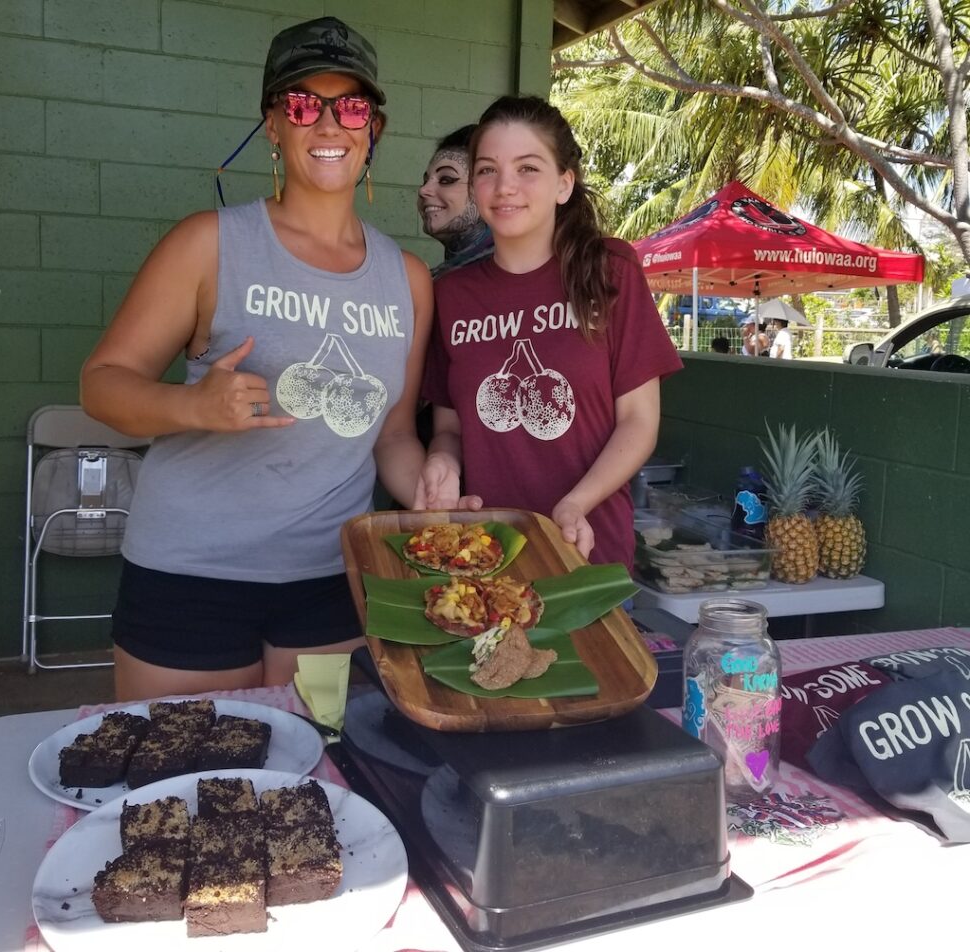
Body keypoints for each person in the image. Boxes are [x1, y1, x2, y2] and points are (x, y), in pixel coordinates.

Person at [80, 17, 434, 701]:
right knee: (188, 786)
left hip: (333, 578)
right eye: (303, 104)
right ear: (274, 125)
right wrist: (189, 405)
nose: (329, 125)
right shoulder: (209, 243)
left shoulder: (409, 279)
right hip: (191, 573)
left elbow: (391, 433)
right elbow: (101, 385)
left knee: (321, 774)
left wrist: (429, 494)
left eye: (351, 106)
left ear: (374, 129)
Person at [415, 95, 683, 570]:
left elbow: (639, 421)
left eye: (528, 168)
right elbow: (450, 428)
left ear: (564, 184)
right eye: (487, 170)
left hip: (585, 552)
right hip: (483, 554)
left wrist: (577, 502)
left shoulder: (610, 269)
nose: (505, 187)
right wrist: (443, 462)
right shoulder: (452, 294)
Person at [417, 125, 494, 278]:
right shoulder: (442, 279)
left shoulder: (502, 273)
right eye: (425, 181)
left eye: (446, 179)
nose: (423, 190)